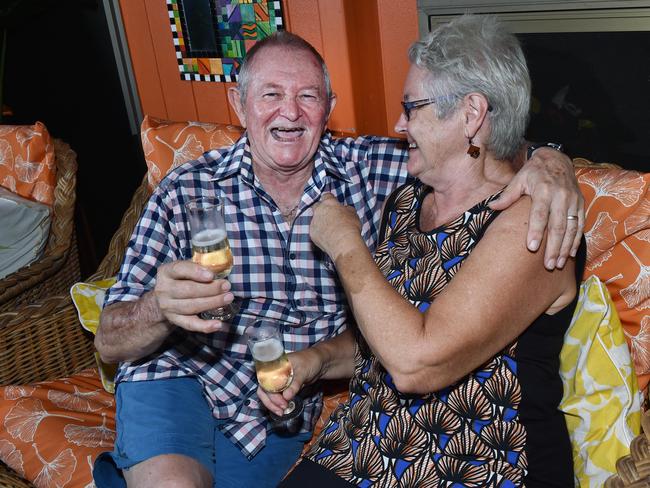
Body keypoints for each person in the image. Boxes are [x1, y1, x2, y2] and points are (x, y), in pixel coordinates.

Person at [93, 29, 583, 488]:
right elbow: (109, 343)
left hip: (288, 409)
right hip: (182, 376)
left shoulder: (378, 173)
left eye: (308, 95)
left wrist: (551, 161)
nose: (291, 112)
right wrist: (161, 305)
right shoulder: (187, 189)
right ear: (237, 104)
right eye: (270, 95)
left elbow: (488, 152)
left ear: (329, 107)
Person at [266, 15, 585, 487]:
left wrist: (344, 243)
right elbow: (387, 332)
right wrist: (316, 360)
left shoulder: (531, 219)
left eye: (412, 107)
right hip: (362, 448)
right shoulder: (409, 199)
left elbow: (417, 362)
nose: (399, 123)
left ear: (472, 114)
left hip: (473, 461)